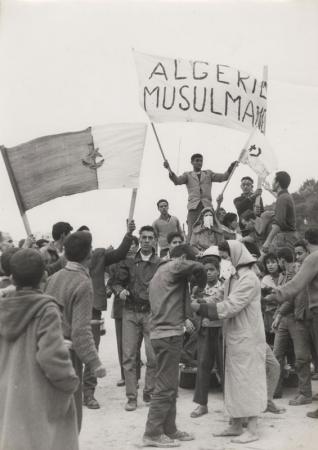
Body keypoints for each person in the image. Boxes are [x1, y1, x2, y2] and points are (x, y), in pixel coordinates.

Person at [0, 249, 79, 450]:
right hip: (39, 398)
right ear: (45, 275)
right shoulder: (46, 309)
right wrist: (70, 382)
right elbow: (51, 357)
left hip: (8, 398)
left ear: (11, 278)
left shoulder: (3, 307)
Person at [192, 240, 266, 444]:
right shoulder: (233, 277)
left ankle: (252, 428)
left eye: (225, 256)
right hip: (234, 336)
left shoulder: (249, 278)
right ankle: (235, 423)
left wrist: (201, 309)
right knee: (234, 380)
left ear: (236, 255)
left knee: (247, 380)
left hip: (248, 337)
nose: (224, 260)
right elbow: (218, 296)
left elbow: (232, 306)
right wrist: (200, 302)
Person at [143, 244, 207, 448]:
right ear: (181, 257)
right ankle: (152, 433)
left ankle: (169, 429)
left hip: (165, 334)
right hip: (168, 334)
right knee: (165, 387)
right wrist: (200, 285)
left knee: (170, 386)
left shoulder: (160, 272)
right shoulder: (175, 265)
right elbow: (200, 268)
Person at [45, 231, 106, 431]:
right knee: (71, 419)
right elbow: (81, 332)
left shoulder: (54, 277)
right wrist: (95, 362)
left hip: (47, 349)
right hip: (68, 355)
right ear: (89, 254)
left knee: (52, 415)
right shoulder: (82, 283)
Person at [82, 220, 136, 408]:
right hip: (72, 312)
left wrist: (128, 234)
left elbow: (120, 253)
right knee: (72, 353)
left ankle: (89, 394)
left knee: (92, 351)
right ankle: (71, 393)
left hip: (93, 310)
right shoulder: (67, 260)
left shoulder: (98, 256)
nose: (87, 246)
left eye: (89, 241)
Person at [113, 225, 160, 411]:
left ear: (155, 240)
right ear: (139, 239)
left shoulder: (160, 263)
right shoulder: (129, 261)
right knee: (129, 356)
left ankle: (149, 392)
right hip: (130, 312)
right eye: (144, 237)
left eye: (150, 237)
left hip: (151, 313)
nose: (147, 240)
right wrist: (120, 291)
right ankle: (131, 397)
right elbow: (115, 282)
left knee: (153, 356)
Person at [273, 228, 318, 418]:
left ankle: (306, 394)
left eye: (301, 251)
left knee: (305, 358)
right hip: (304, 317)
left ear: (307, 244)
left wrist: (275, 295)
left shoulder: (311, 260)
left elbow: (294, 288)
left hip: (311, 314)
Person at [164, 154, 236, 242]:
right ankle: (190, 249)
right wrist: (169, 169)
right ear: (192, 162)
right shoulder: (187, 175)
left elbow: (224, 177)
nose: (199, 163)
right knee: (192, 231)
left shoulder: (208, 173)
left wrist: (231, 167)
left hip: (207, 207)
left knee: (209, 229)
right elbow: (177, 181)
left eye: (201, 161)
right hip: (194, 207)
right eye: (197, 160)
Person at [190, 256, 224, 419]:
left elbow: (217, 303)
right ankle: (202, 404)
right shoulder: (197, 288)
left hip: (222, 331)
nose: (208, 273)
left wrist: (200, 302)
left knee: (225, 368)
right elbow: (192, 307)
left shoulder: (224, 286)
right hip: (205, 330)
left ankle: (231, 405)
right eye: (205, 270)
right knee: (203, 366)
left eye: (212, 270)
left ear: (218, 271)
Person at [108, 236, 141, 387]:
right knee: (122, 343)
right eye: (130, 245)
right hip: (120, 308)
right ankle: (124, 376)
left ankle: (136, 377)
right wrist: (117, 290)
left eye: (135, 245)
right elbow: (111, 284)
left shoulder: (141, 263)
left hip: (137, 309)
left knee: (136, 345)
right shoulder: (116, 264)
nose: (132, 248)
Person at [262, 171, 298, 253]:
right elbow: (279, 196)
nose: (272, 183)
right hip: (289, 237)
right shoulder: (285, 196)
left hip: (284, 238)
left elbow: (278, 224)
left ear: (277, 183)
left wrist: (267, 241)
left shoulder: (282, 198)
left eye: (273, 181)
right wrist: (270, 190)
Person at [261, 253, 281, 346]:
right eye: (267, 263)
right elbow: (265, 299)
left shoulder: (284, 276)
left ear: (279, 263)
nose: (270, 265)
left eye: (273, 262)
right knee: (271, 342)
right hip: (270, 315)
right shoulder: (265, 279)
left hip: (283, 313)